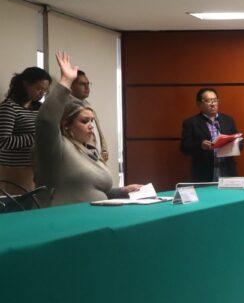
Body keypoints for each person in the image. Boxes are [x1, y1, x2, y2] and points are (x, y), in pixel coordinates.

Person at [34, 51, 141, 206]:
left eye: (91, 121)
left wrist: (123, 191)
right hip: (61, 216)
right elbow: (46, 121)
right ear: (66, 124)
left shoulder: (88, 151)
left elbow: (93, 190)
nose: (91, 125)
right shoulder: (57, 147)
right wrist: (66, 81)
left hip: (95, 214)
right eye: (84, 121)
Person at [0, 66, 49, 194]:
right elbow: (3, 142)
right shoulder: (9, 107)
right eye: (38, 88)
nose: (42, 93)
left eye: (45, 90)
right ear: (25, 84)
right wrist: (36, 136)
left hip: (36, 168)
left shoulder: (40, 108)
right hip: (14, 170)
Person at [179, 87, 241, 182]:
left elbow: (240, 144)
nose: (213, 104)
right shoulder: (191, 123)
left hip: (227, 170)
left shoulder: (228, 120)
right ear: (199, 104)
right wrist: (200, 145)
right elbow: (184, 148)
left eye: (215, 100)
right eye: (208, 101)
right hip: (204, 172)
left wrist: (235, 143)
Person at [69, 70, 108, 163]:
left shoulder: (88, 105)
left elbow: (97, 130)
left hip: (96, 156)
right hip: (79, 157)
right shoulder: (67, 107)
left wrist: (104, 149)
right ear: (71, 85)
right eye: (82, 84)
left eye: (88, 84)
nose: (87, 87)